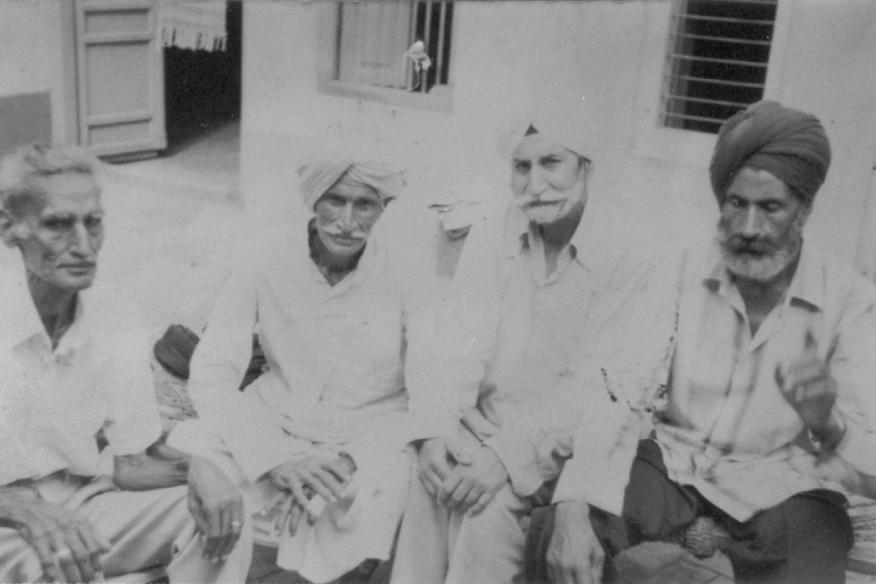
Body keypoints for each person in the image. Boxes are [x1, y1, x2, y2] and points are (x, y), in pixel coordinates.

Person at [539, 101, 876, 584]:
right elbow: (617, 386)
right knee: (562, 530)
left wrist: (828, 421)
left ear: (805, 209)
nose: (748, 228)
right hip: (675, 467)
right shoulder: (678, 270)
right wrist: (574, 504)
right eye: (736, 203)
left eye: (771, 207)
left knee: (810, 559)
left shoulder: (852, 302)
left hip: (787, 485)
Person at [169, 143, 437, 584]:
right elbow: (213, 375)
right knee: (199, 459)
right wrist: (275, 460)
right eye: (336, 199)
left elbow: (430, 390)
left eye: (364, 204)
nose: (347, 222)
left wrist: (346, 462)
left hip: (364, 437)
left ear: (384, 207)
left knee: (382, 491)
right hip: (273, 422)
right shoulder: (265, 255)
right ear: (314, 199)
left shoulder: (408, 270)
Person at [390, 117, 637, 584]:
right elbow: (456, 339)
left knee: (486, 512)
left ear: (586, 168)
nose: (535, 183)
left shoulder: (624, 249)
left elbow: (601, 389)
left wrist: (506, 455)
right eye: (521, 166)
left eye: (551, 163)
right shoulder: (498, 226)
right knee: (430, 484)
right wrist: (433, 429)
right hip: (484, 424)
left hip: (567, 443)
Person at [0, 143, 251, 583]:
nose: (83, 245)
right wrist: (20, 509)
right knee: (59, 563)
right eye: (58, 225)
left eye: (93, 223)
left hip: (83, 505)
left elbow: (131, 460)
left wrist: (197, 468)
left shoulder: (115, 314)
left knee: (221, 512)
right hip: (7, 524)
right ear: (10, 228)